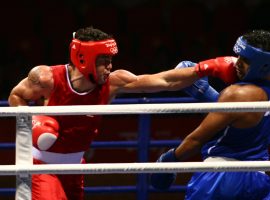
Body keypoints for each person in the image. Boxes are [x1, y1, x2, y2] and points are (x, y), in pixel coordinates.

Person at [8, 26, 236, 200]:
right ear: (83, 58)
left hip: (75, 166)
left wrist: (205, 67)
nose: (109, 67)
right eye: (104, 61)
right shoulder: (47, 78)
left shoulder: (114, 83)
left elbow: (163, 80)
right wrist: (31, 123)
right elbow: (16, 96)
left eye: (110, 61)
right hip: (39, 167)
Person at [150, 29, 270, 200]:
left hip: (219, 177)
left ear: (263, 65)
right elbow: (242, 120)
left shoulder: (236, 94)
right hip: (258, 178)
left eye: (245, 60)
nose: (237, 63)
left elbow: (196, 140)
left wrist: (170, 159)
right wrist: (207, 94)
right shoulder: (254, 96)